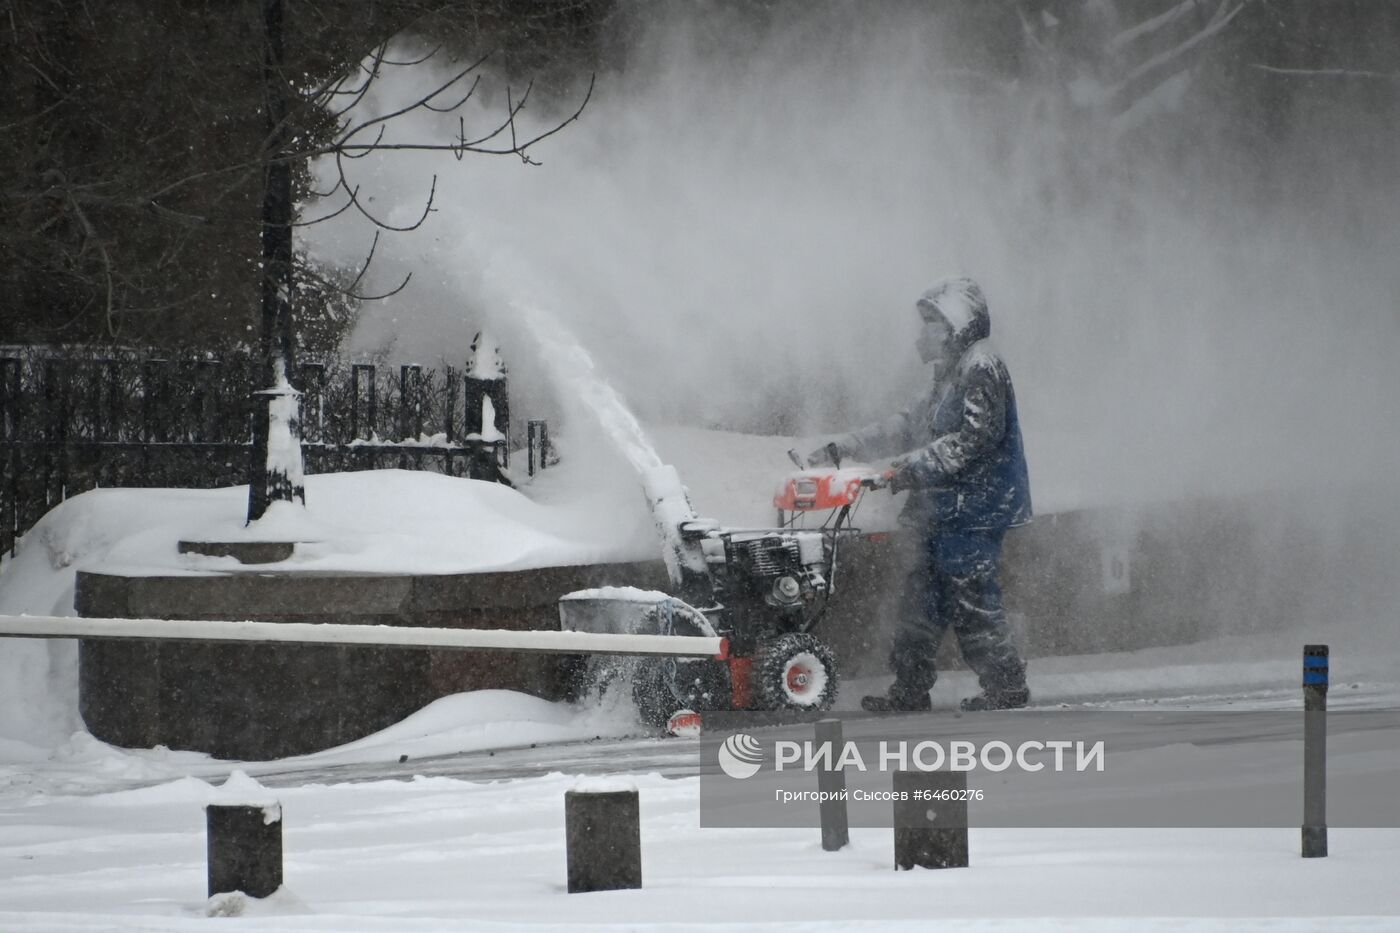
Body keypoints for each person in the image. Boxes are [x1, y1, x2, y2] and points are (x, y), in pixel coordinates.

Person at [806, 276, 1032, 712]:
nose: (919, 335)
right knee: (921, 602)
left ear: (954, 326)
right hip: (942, 511)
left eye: (929, 324)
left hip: (974, 511)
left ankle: (1006, 685)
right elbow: (908, 425)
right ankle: (910, 688)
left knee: (973, 600)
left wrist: (903, 469)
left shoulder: (981, 367)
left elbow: (972, 441)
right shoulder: (948, 374)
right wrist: (846, 446)